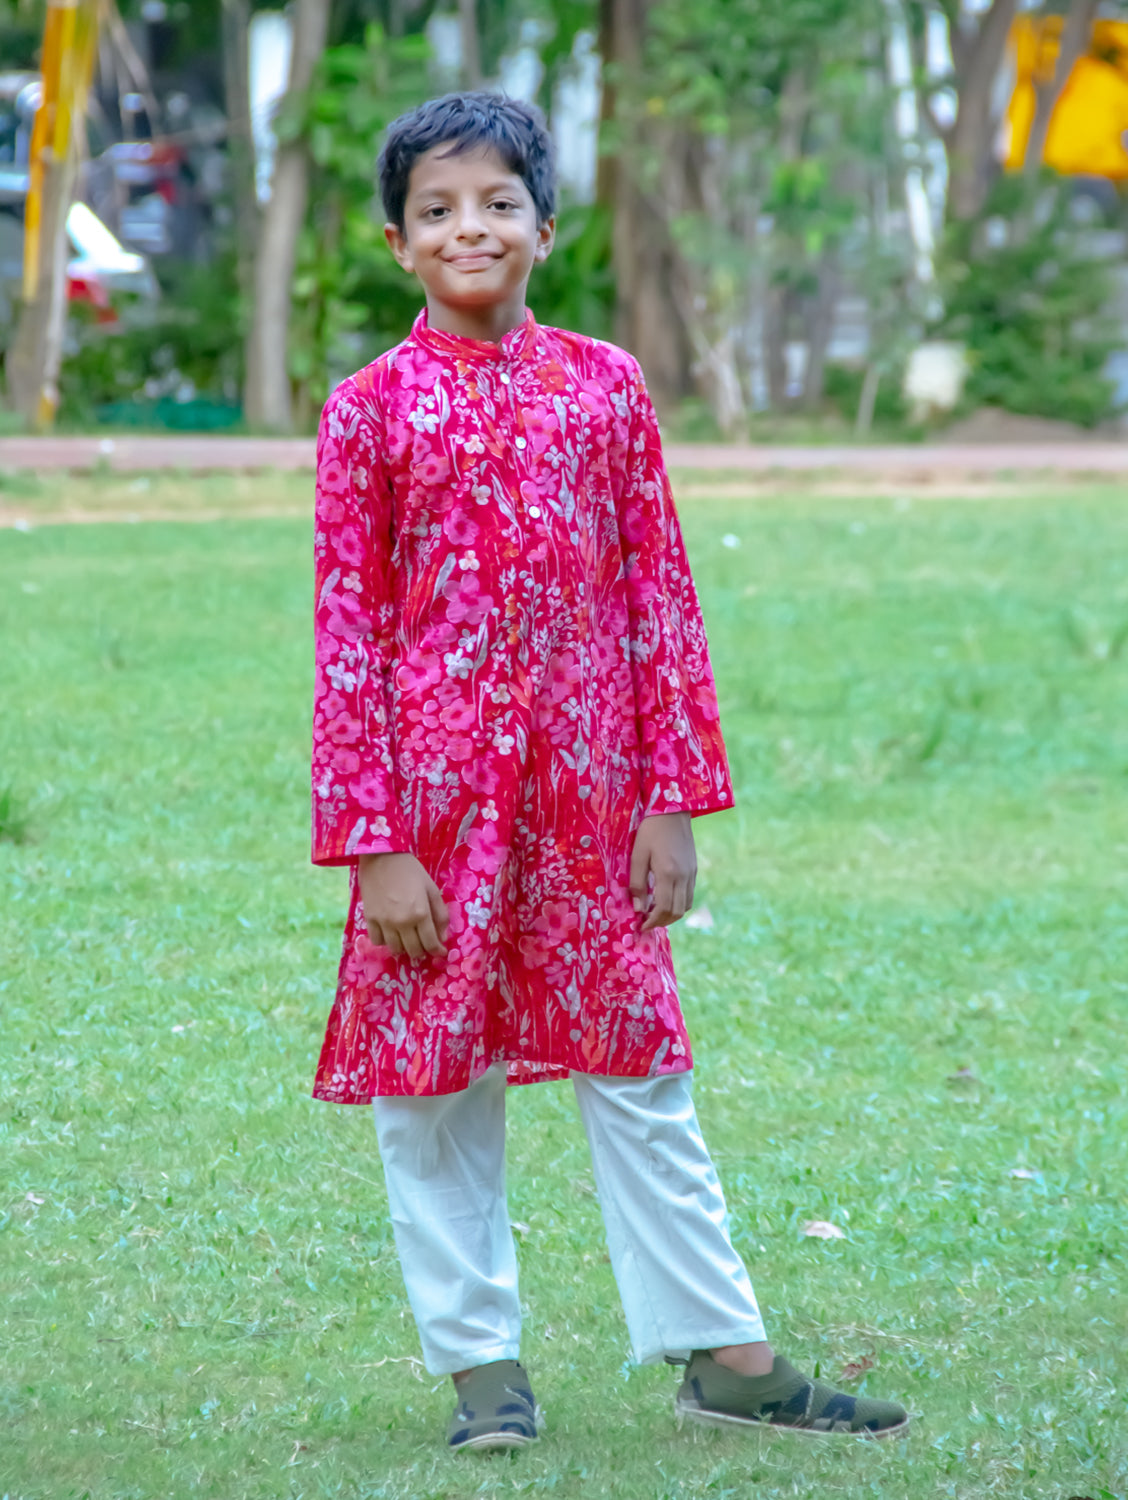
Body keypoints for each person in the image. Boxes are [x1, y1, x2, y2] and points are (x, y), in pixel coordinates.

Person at [310, 91, 910, 1452]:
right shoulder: (368, 413)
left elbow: (659, 597)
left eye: (499, 203)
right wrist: (374, 841)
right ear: (400, 242)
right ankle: (483, 1374)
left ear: (544, 225)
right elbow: (348, 634)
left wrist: (675, 798)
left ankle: (729, 1355)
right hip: (433, 821)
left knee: (641, 1069)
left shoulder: (606, 388)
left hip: (595, 807)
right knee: (433, 1087)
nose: (473, 228)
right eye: (439, 209)